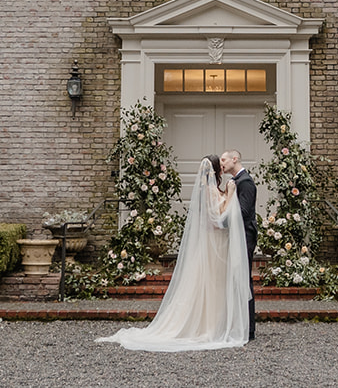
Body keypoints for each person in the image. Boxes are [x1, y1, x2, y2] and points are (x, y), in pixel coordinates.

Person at [97, 153, 251, 351]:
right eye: (219, 163)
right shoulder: (211, 191)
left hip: (218, 245)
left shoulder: (212, 188)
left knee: (215, 285)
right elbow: (219, 220)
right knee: (211, 285)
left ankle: (214, 325)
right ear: (214, 170)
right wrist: (230, 193)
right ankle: (209, 329)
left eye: (224, 161)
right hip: (214, 245)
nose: (223, 165)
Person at [221, 149, 258, 340]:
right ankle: (238, 324)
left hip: (245, 236)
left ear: (235, 159)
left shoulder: (246, 182)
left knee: (244, 280)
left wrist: (222, 218)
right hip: (238, 235)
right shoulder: (236, 182)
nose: (222, 163)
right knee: (237, 280)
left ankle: (249, 328)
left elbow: (243, 212)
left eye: (224, 159)